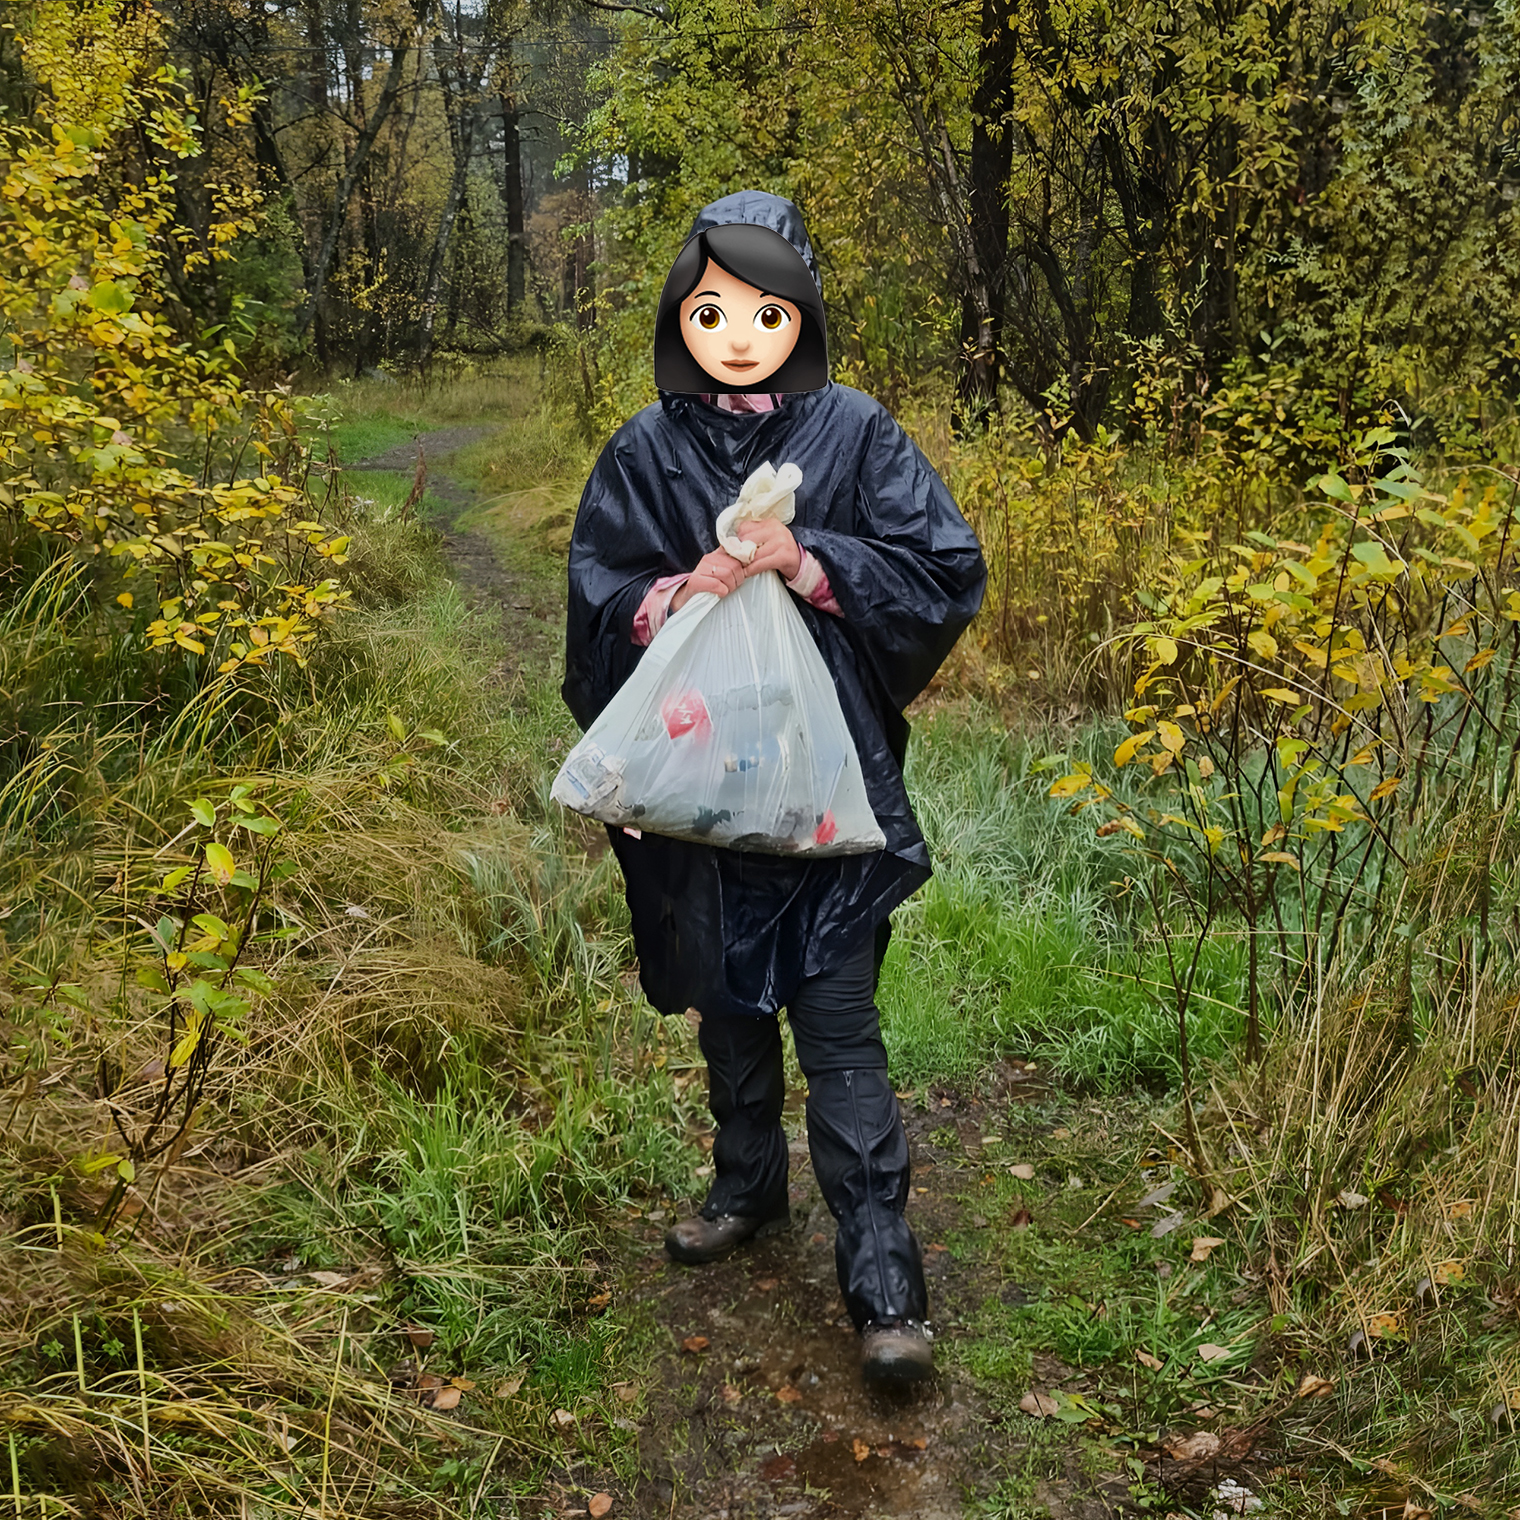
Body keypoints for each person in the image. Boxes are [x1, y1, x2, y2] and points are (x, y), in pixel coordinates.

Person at [562, 191, 986, 1385]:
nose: (739, 334)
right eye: (712, 308)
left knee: (837, 1023)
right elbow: (597, 594)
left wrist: (808, 561)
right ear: (679, 315)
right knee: (728, 999)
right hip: (698, 792)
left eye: (764, 308)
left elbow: (944, 567)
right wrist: (665, 600)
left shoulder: (852, 432)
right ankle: (745, 1185)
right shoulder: (644, 450)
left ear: (798, 311)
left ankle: (884, 1281)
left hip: (826, 794)